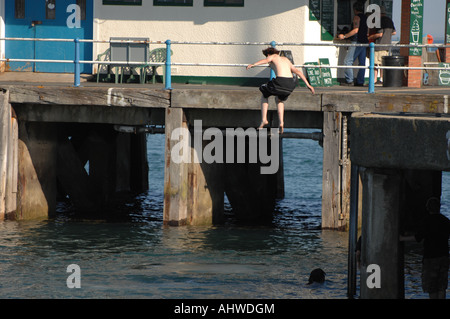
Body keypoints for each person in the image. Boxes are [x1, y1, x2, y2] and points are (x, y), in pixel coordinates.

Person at [247, 47, 315, 133]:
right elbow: (297, 71)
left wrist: (253, 64)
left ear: (268, 54)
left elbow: (265, 61)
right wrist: (308, 85)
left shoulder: (273, 57)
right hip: (290, 84)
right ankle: (281, 123)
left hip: (280, 82)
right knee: (279, 100)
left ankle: (264, 119)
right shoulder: (286, 59)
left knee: (264, 92)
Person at [400, 197, 450, 299]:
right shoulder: (446, 221)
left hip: (430, 257)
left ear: (428, 208)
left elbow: (417, 237)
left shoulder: (426, 221)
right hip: (444, 256)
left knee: (432, 287)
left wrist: (402, 238)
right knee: (442, 286)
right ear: (439, 207)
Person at [338, 2, 368, 86]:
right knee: (362, 63)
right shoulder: (366, 18)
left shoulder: (356, 17)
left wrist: (344, 36)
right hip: (364, 42)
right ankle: (360, 81)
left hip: (357, 41)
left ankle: (349, 80)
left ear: (354, 9)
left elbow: (355, 30)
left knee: (348, 61)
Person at [367, 6, 396, 85]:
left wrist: (370, 37)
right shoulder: (389, 20)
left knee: (375, 64)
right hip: (387, 45)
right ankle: (382, 79)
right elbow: (394, 32)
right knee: (383, 63)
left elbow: (379, 34)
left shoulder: (379, 21)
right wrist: (387, 35)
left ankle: (375, 80)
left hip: (379, 45)